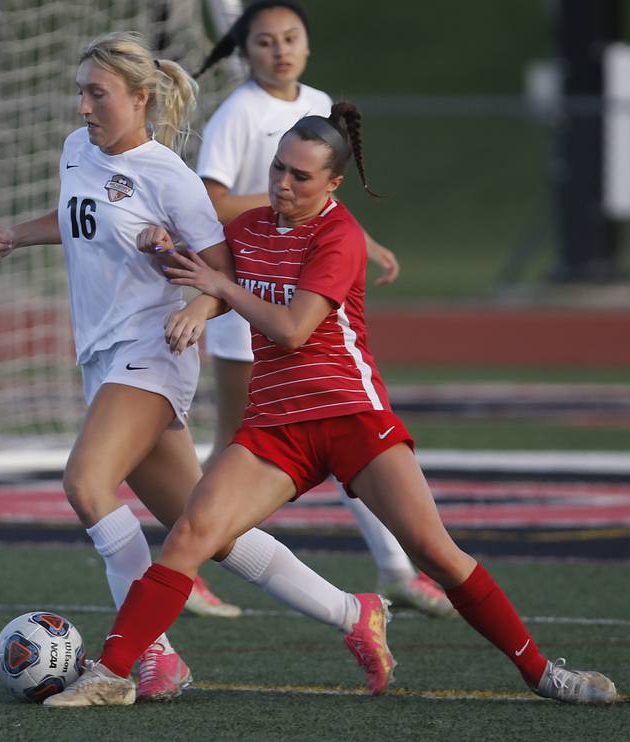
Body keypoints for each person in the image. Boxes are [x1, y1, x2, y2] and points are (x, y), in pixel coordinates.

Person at [44, 103, 618, 707]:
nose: (282, 186)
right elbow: (209, 275)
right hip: (275, 426)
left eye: (300, 177)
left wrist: (220, 290)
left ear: (333, 185)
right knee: (191, 534)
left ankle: (544, 674)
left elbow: (292, 329)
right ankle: (111, 674)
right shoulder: (251, 229)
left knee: (434, 552)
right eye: (277, 169)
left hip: (350, 417)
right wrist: (167, 254)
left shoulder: (340, 236)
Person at [0, 33, 396, 702]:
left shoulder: (168, 175)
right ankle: (355, 613)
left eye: (98, 93)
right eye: (82, 92)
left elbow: (222, 269)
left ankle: (150, 658)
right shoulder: (76, 151)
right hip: (103, 356)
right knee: (210, 530)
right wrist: (16, 235)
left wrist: (199, 310)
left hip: (151, 351)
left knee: (87, 484)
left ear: (140, 98)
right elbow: (77, 216)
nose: (84, 106)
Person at [194, 0, 453, 617]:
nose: (279, 50)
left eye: (290, 38)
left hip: (299, 300)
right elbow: (213, 205)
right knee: (235, 449)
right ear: (244, 51)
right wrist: (287, 198)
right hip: (254, 307)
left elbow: (327, 203)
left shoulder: (316, 100)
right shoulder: (240, 112)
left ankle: (394, 569)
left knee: (349, 445)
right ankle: (189, 561)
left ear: (307, 44)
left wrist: (357, 238)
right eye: (263, 41)